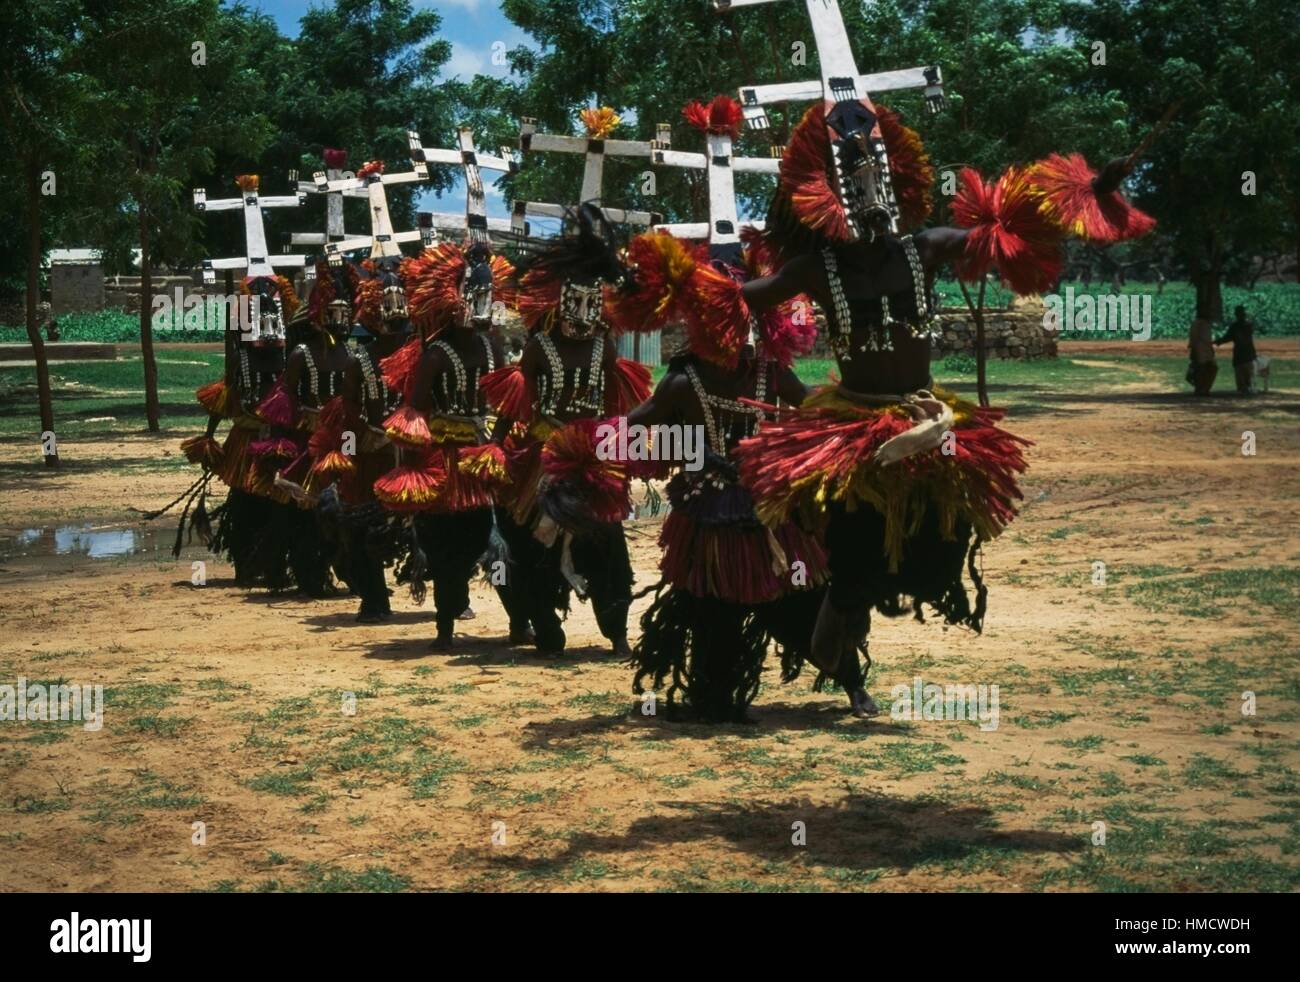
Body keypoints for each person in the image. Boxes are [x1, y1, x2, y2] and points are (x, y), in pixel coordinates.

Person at [614, 228, 871, 721]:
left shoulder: (769, 373)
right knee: (713, 609)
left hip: (768, 510)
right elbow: (633, 425)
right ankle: (716, 698)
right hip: (709, 518)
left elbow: (816, 406)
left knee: (798, 596)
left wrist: (865, 415)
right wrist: (583, 449)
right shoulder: (682, 382)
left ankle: (851, 681)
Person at [481, 204, 651, 658]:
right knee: (533, 537)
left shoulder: (605, 346)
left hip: (595, 458)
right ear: (559, 301)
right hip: (544, 454)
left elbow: (619, 404)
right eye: (573, 301)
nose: (581, 311)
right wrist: (494, 450)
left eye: (590, 301)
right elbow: (514, 404)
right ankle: (543, 626)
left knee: (607, 540)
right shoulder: (538, 347)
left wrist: (633, 441)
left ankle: (616, 630)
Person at [373, 240, 515, 649]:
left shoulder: (495, 347)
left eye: (487, 296)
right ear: (455, 300)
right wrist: (411, 471)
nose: (482, 306)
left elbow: (509, 401)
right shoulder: (435, 354)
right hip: (442, 464)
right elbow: (413, 412)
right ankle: (445, 626)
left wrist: (499, 445)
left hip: (482, 457)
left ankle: (518, 619)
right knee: (448, 549)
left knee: (497, 543)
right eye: (475, 296)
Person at [1215, 305, 1257, 395]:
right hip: (1249, 354)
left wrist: (1217, 342)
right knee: (1248, 377)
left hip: (1239, 355)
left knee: (1241, 379)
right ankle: (1248, 391)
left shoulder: (1235, 326)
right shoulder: (1249, 325)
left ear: (1236, 315)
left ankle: (1243, 392)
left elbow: (1227, 337)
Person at [1186, 317, 1217, 396]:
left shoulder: (1204, 324)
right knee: (1202, 369)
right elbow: (1194, 339)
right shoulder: (1198, 324)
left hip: (1204, 351)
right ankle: (1201, 389)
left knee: (1209, 368)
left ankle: (1203, 389)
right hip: (1200, 351)